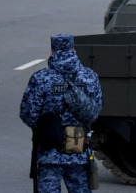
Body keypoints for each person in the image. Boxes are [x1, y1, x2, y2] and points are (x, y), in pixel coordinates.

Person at [20, 34, 103, 193]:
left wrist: (45, 125)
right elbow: (95, 110)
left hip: (49, 152)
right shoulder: (89, 77)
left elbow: (28, 114)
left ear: (52, 50)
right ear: (73, 49)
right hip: (78, 150)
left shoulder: (41, 78)